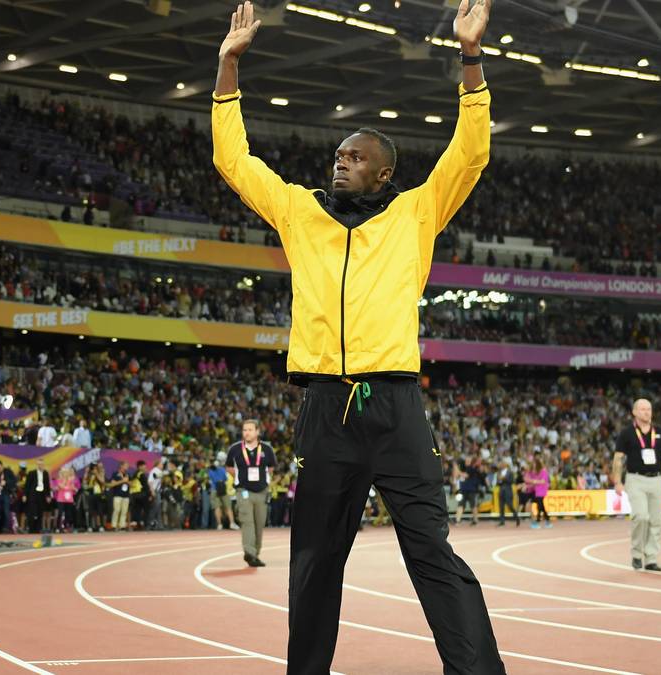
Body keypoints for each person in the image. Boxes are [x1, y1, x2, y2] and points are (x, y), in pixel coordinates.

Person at [213, 2, 504, 670]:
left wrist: (469, 55)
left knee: (431, 550)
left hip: (396, 405)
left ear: (383, 173)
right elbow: (234, 159)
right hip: (325, 407)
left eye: (357, 157)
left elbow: (472, 152)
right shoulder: (298, 210)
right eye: (339, 154)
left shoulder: (415, 213)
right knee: (313, 563)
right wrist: (229, 65)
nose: (341, 163)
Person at [612, 398, 661, 572]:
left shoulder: (660, 432)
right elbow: (618, 459)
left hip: (657, 480)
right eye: (642, 409)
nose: (647, 412)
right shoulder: (627, 433)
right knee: (641, 517)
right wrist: (617, 481)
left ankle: (651, 558)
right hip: (636, 479)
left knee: (656, 521)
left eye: (649, 409)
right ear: (634, 412)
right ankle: (637, 555)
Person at [226, 419, 276, 566]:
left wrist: (263, 480)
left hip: (261, 492)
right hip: (243, 492)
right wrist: (239, 479)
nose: (247, 433)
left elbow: (271, 468)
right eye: (244, 430)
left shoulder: (267, 449)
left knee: (259, 523)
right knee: (247, 522)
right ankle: (249, 552)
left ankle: (255, 554)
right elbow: (229, 467)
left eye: (250, 430)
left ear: (257, 432)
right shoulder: (235, 449)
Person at [207, 453, 237, 530]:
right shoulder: (222, 469)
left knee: (217, 507)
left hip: (214, 488)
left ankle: (219, 524)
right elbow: (225, 478)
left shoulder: (211, 469)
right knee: (228, 507)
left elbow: (210, 477)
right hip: (223, 488)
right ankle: (232, 523)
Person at [23, 459, 52, 533]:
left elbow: (47, 485)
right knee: (32, 512)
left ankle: (38, 528)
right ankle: (31, 528)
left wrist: (48, 496)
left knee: (40, 511)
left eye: (42, 464)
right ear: (37, 465)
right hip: (33, 494)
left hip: (41, 495)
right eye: (39, 464)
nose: (40, 466)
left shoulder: (45, 473)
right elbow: (27, 485)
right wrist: (25, 495)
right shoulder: (31, 473)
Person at [0, 459, 17, 534]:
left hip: (5, 494)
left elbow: (14, 481)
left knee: (6, 511)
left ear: (2, 466)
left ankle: (6, 528)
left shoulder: (8, 472)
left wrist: (6, 482)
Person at [524, 455, 551, 529]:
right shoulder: (530, 472)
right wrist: (528, 484)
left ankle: (538, 520)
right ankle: (543, 520)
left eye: (534, 464)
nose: (533, 466)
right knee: (537, 506)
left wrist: (532, 482)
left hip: (539, 491)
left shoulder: (542, 471)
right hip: (532, 491)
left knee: (539, 505)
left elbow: (542, 481)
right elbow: (527, 480)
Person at [496, 457, 520, 527]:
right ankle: (502, 521)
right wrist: (499, 480)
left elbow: (512, 481)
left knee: (510, 505)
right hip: (501, 490)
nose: (501, 465)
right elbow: (497, 482)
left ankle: (516, 517)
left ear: (505, 464)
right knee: (501, 506)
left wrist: (503, 479)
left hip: (508, 490)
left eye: (502, 464)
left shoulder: (510, 472)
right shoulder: (499, 472)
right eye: (501, 464)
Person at [109, 461, 132, 531]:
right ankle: (114, 525)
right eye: (126, 465)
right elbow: (112, 483)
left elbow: (131, 484)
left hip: (126, 495)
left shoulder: (127, 474)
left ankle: (122, 526)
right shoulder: (116, 474)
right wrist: (122, 481)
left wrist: (127, 481)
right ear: (121, 466)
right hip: (117, 495)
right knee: (117, 510)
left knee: (124, 511)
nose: (127, 467)